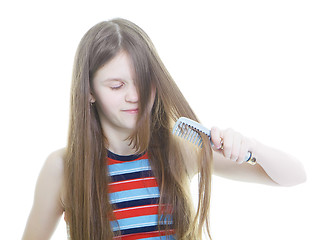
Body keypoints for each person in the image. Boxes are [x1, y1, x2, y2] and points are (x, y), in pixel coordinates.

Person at [22, 18, 306, 240]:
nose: (135, 95)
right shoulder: (63, 168)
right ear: (89, 92)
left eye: (144, 81)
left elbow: (294, 176)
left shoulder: (179, 151)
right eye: (117, 85)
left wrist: (250, 146)